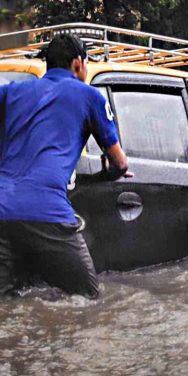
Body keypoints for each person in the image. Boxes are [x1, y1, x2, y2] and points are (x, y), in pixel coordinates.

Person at [0, 34, 131, 299]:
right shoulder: (90, 96)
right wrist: (110, 172)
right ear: (77, 63)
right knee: (88, 300)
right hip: (47, 211)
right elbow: (120, 161)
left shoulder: (11, 91)